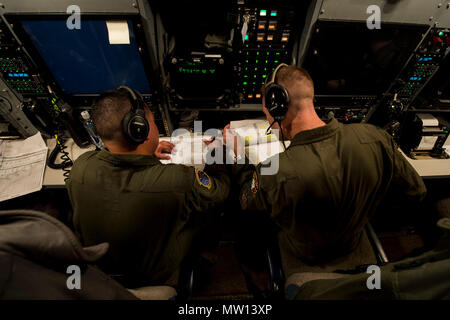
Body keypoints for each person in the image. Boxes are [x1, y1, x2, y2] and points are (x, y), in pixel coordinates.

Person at [224, 65, 427, 279]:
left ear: (279, 107)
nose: (269, 123)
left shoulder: (275, 173)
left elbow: (247, 201)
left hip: (305, 259)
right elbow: (416, 192)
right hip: (356, 246)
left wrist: (237, 156)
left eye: (268, 115)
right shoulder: (376, 138)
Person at [66, 87, 230, 288]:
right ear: (139, 129)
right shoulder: (177, 180)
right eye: (153, 122)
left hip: (104, 272)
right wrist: (219, 152)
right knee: (210, 212)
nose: (155, 126)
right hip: (156, 276)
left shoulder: (81, 168)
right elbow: (220, 191)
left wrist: (148, 153)